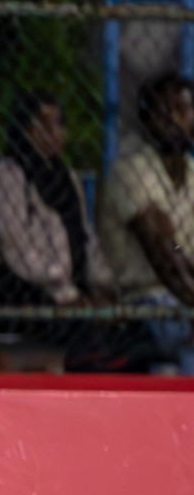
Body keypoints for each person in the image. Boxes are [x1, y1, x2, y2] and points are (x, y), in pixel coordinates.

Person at [0, 92, 114, 307]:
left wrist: (102, 284)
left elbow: (84, 235)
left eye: (59, 124)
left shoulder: (68, 178)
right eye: (43, 124)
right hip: (13, 285)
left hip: (65, 287)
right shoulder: (5, 175)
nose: (53, 132)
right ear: (24, 129)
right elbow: (16, 251)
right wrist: (67, 294)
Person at [99, 73, 194, 373]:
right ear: (147, 119)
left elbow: (178, 246)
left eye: (181, 109)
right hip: (143, 300)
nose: (172, 119)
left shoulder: (192, 174)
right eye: (162, 111)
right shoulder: (131, 171)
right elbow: (163, 252)